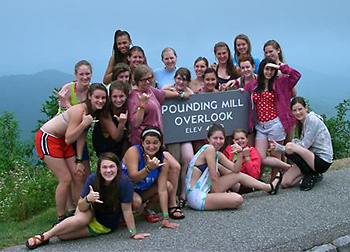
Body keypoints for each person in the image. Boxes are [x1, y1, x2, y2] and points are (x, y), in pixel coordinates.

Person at [25, 152, 150, 250]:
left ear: (118, 168)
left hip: (104, 223)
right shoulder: (92, 179)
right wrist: (88, 199)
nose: (108, 171)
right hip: (89, 210)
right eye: (104, 167)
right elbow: (81, 205)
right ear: (99, 170)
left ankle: (60, 227)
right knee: (81, 219)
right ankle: (44, 236)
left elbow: (127, 210)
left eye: (112, 167)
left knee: (62, 236)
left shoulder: (124, 183)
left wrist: (133, 233)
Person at [35, 84, 108, 224]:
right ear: (89, 97)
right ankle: (60, 217)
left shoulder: (91, 111)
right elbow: (70, 138)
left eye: (103, 98)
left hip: (63, 140)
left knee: (77, 175)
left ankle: (78, 211)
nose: (100, 101)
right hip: (48, 138)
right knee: (65, 179)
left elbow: (81, 136)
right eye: (97, 97)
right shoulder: (79, 110)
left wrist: (80, 160)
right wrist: (83, 124)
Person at [127, 65, 190, 218]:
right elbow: (135, 122)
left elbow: (163, 94)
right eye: (144, 80)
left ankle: (170, 203)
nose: (147, 82)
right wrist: (142, 104)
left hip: (157, 144)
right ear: (136, 81)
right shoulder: (134, 96)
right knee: (161, 170)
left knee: (174, 167)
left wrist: (180, 95)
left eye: (150, 79)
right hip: (144, 145)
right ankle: (166, 205)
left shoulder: (151, 91)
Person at [185, 124, 282, 211]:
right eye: (215, 138)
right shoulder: (208, 149)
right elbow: (213, 176)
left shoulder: (217, 153)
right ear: (208, 139)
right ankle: (219, 197)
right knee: (238, 199)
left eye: (221, 138)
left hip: (206, 189)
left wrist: (240, 153)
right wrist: (218, 195)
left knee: (238, 175)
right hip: (197, 196)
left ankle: (269, 187)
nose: (218, 141)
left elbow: (236, 169)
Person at [245, 58, 301, 180]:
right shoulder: (253, 85)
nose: (269, 72)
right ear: (261, 69)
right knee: (260, 157)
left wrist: (280, 67)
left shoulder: (280, 83)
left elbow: (296, 75)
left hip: (276, 124)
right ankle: (289, 168)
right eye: (267, 69)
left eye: (271, 69)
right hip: (260, 126)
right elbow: (243, 93)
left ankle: (274, 181)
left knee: (276, 156)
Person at [270, 97, 333, 191]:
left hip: (321, 160)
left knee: (290, 146)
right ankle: (311, 172)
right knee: (285, 183)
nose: (298, 112)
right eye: (294, 110)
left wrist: (279, 148)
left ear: (306, 108)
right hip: (310, 158)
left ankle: (312, 173)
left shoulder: (312, 120)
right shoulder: (302, 123)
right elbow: (301, 145)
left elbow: (304, 145)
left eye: (300, 109)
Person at [122, 126, 182, 225]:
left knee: (168, 186)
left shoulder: (163, 161)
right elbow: (133, 178)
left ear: (160, 144)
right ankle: (121, 213)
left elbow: (162, 190)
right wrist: (149, 168)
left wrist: (165, 218)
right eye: (148, 143)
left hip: (142, 190)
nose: (151, 146)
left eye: (155, 143)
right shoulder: (134, 151)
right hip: (125, 188)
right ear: (142, 143)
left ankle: (147, 210)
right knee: (136, 201)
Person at [56, 60, 93, 192]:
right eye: (81, 74)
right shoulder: (68, 89)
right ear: (75, 75)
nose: (85, 77)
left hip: (81, 133)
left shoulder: (91, 91)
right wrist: (64, 102)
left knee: (86, 172)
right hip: (66, 134)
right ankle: (71, 207)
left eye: (87, 74)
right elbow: (65, 112)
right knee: (71, 175)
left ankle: (89, 199)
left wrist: (68, 104)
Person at [162, 67, 195, 208]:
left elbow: (194, 99)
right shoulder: (167, 89)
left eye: (184, 79)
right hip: (171, 134)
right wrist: (178, 94)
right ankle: (172, 196)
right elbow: (161, 93)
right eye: (179, 78)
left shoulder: (190, 92)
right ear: (175, 78)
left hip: (185, 133)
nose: (181, 82)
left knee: (189, 158)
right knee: (174, 163)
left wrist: (186, 92)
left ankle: (183, 193)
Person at [264, 39, 297, 143]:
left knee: (288, 146)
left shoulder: (284, 69)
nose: (268, 54)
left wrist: (279, 68)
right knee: (278, 148)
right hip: (272, 115)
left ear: (278, 50)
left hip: (285, 112)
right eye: (266, 52)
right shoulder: (266, 69)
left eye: (271, 51)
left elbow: (293, 91)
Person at [92, 81, 129, 160]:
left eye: (121, 96)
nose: (118, 100)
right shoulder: (105, 113)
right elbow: (117, 137)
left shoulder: (126, 109)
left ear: (126, 96)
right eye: (115, 96)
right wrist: (121, 124)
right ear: (110, 97)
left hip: (121, 152)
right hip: (105, 152)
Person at [222, 129, 261, 193]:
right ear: (233, 141)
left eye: (242, 138)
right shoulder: (228, 150)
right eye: (237, 139)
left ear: (247, 139)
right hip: (230, 180)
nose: (240, 141)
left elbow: (254, 175)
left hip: (246, 183)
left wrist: (247, 157)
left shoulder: (252, 151)